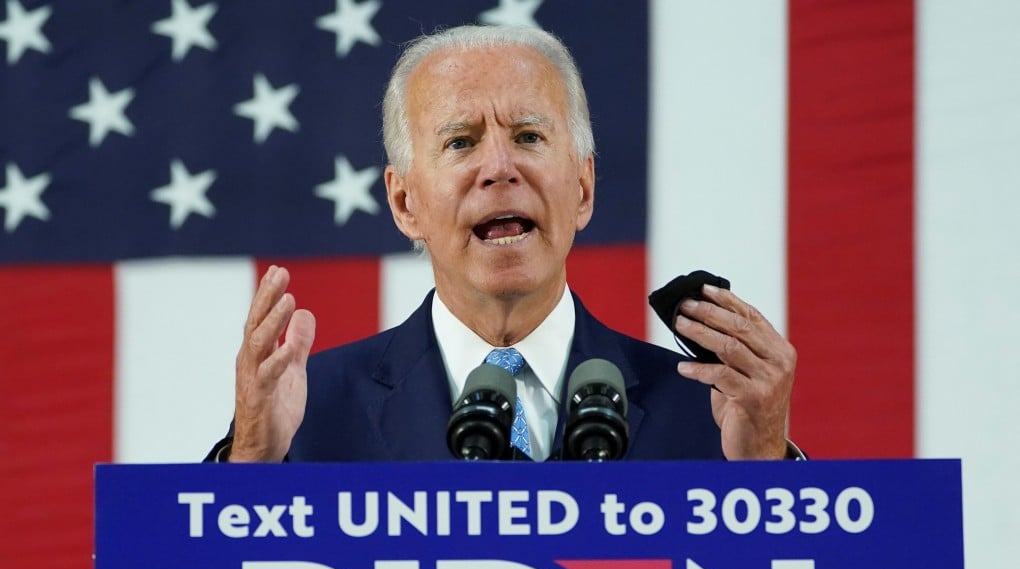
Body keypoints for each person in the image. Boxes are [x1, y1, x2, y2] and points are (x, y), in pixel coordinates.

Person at [209, 24, 798, 464]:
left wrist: (765, 468)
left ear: (584, 188)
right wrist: (249, 470)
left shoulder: (709, 411)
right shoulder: (308, 415)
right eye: (461, 142)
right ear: (405, 203)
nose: (498, 167)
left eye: (528, 135)